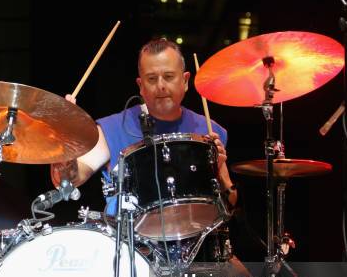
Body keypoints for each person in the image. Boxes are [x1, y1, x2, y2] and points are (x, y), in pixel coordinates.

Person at [50, 38, 238, 208]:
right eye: (152, 79)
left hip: (196, 241)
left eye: (169, 76)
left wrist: (221, 171)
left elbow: (230, 203)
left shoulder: (209, 130)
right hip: (128, 243)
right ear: (141, 86)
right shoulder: (112, 129)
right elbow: (66, 181)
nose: (161, 85)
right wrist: (64, 137)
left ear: (185, 81)